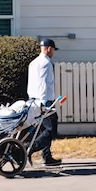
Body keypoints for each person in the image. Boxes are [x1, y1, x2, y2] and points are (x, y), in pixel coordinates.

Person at [26, 38, 61, 166]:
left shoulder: (33, 63)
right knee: (51, 130)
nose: (53, 53)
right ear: (49, 49)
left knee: (42, 130)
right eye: (53, 50)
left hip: (33, 100)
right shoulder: (46, 63)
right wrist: (46, 104)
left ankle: (47, 157)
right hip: (45, 101)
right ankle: (28, 149)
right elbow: (44, 84)